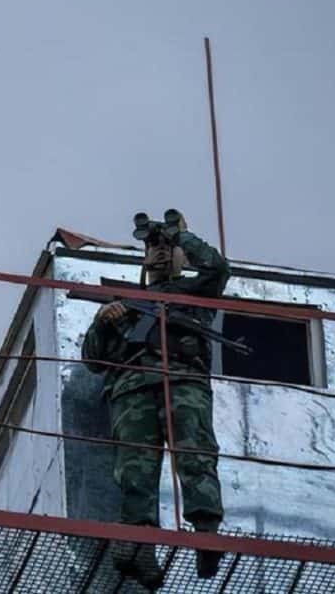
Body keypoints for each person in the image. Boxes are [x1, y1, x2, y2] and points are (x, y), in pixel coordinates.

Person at [81, 210, 229, 589]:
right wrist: (102, 320)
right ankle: (140, 544)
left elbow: (216, 268)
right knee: (134, 469)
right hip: (132, 389)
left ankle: (206, 531)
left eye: (166, 247)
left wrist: (182, 236)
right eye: (152, 246)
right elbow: (94, 361)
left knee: (194, 453)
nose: (160, 252)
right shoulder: (127, 303)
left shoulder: (194, 293)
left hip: (183, 380)